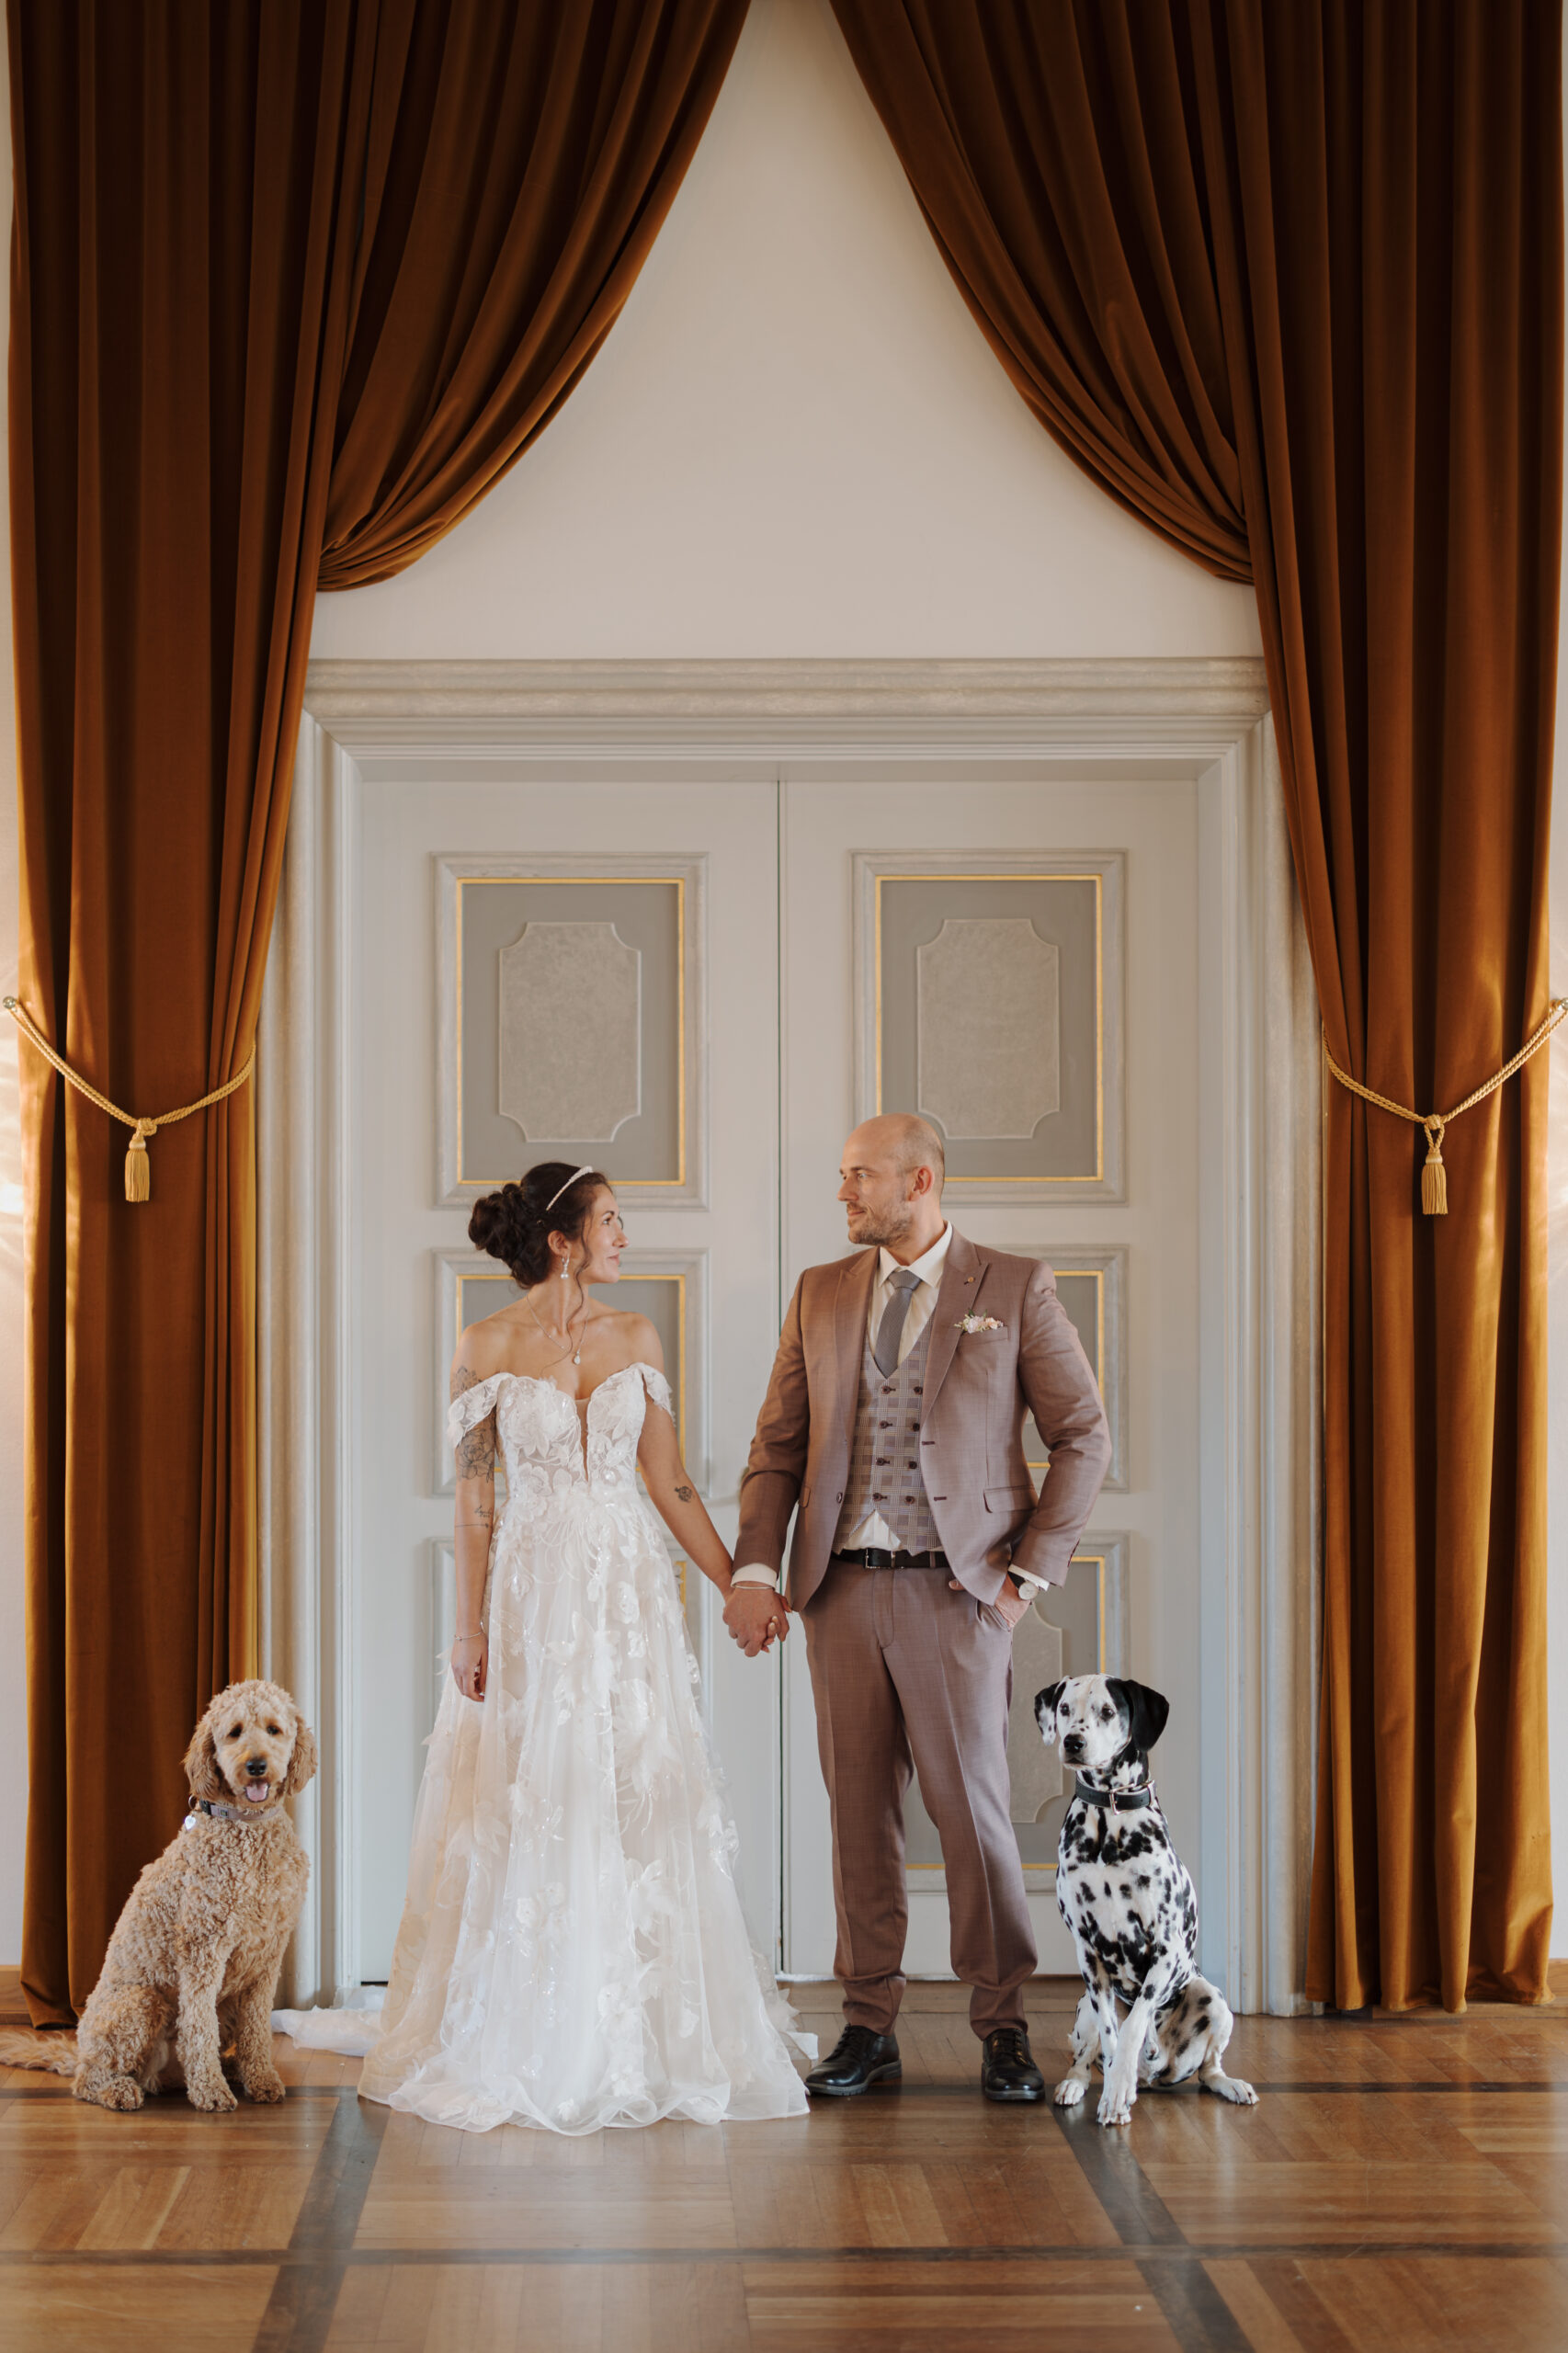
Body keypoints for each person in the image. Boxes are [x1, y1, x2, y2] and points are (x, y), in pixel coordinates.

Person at [286, 1160, 808, 2133]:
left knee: (632, 1775)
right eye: (611, 1221)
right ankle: (534, 2019)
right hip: (532, 1595)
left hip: (626, 1591)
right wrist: (469, 1628)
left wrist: (740, 1582)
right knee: (531, 1786)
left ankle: (643, 2018)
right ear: (563, 1241)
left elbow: (669, 1483)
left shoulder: (637, 1335)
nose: (625, 1238)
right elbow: (475, 1502)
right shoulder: (482, 1346)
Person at [725, 1114, 1110, 2103]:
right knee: (857, 1815)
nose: (843, 1193)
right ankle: (867, 2024)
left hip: (957, 1593)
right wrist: (757, 1568)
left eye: (860, 1175)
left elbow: (1081, 1434)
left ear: (920, 1180)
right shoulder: (819, 1292)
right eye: (843, 1174)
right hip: (839, 1590)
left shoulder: (1012, 1287)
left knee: (972, 1814)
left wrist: (1023, 1580)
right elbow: (776, 1447)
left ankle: (1002, 2024)